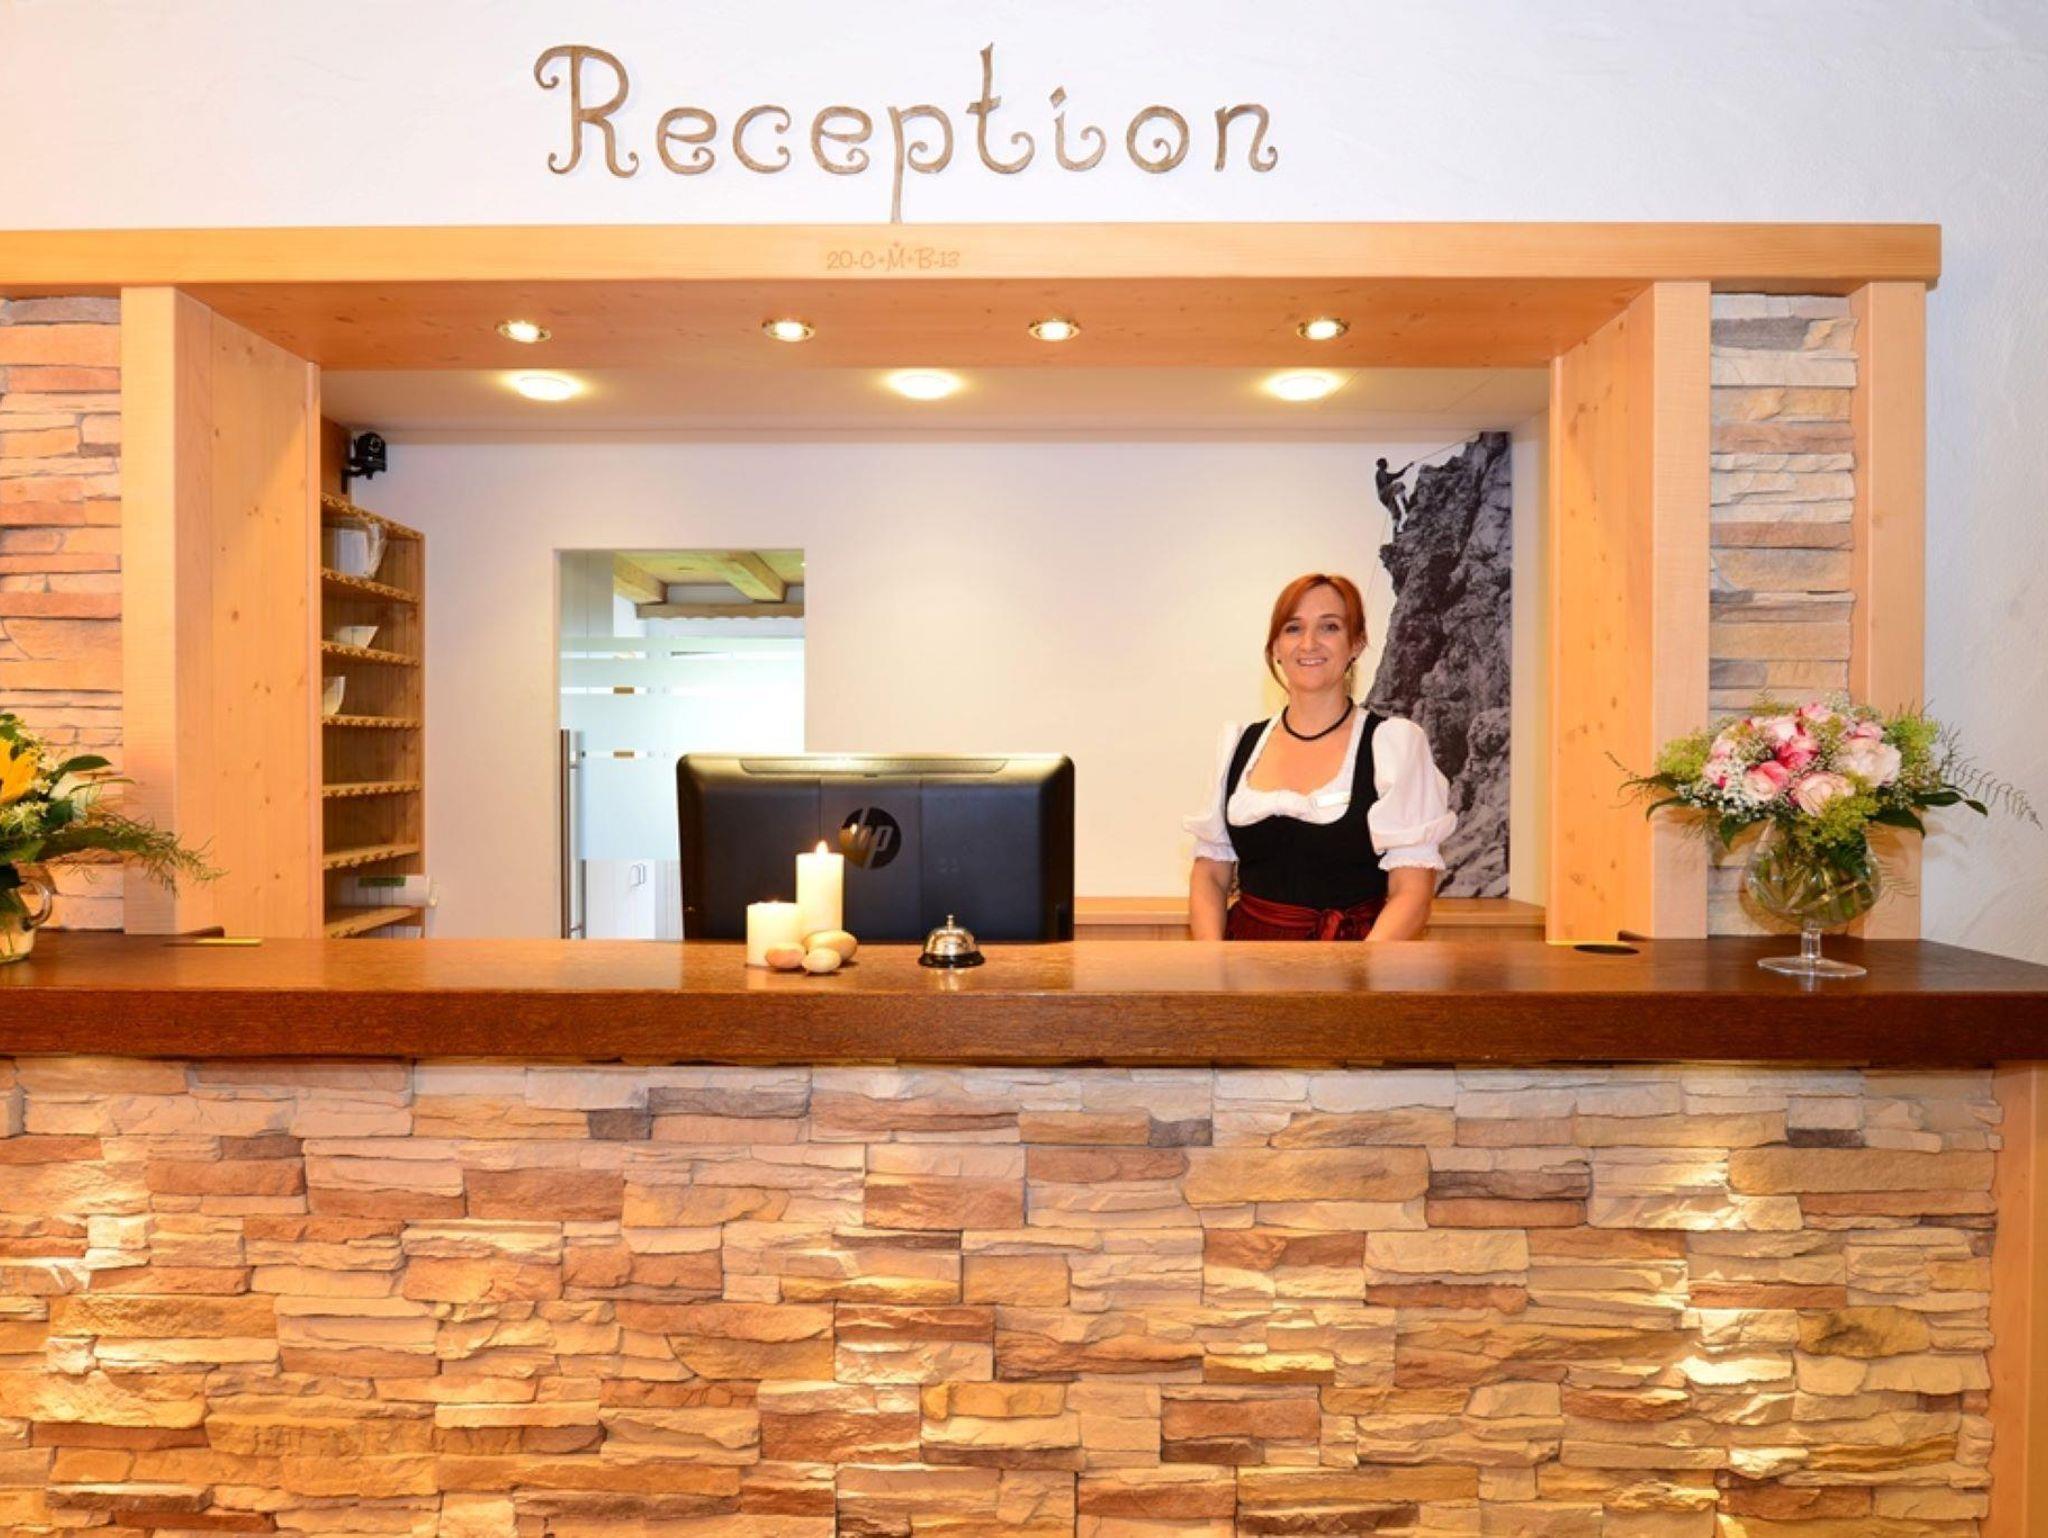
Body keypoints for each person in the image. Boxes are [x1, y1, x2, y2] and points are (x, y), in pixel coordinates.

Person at [1184, 572, 1455, 941]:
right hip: (1245, 961)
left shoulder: (1393, 745)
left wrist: (1361, 970)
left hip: (1354, 959)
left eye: (1329, 627)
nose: (1308, 643)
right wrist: (1213, 962)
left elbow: (1412, 893)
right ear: (1275, 647)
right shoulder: (1239, 745)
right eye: (1293, 628)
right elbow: (1210, 876)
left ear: (1356, 643)